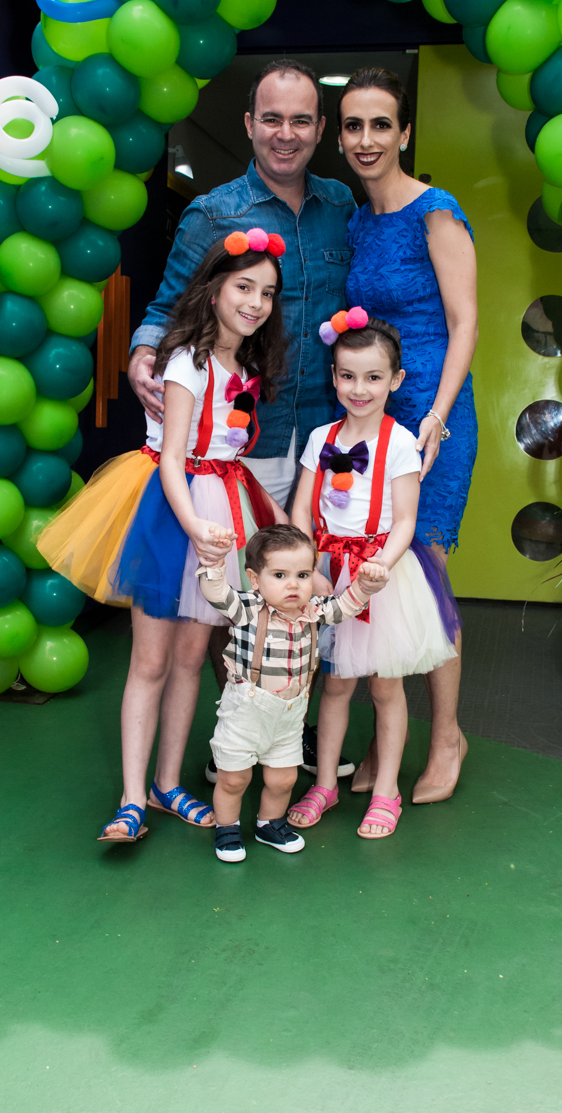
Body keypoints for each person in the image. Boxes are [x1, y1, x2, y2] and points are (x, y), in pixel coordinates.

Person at [129, 57, 358, 780]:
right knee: (245, 602)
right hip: (245, 440)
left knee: (304, 585)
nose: (284, 134)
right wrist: (141, 351)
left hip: (325, 434)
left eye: (299, 120)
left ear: (318, 129)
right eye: (270, 119)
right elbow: (169, 304)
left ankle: (292, 736)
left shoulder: (342, 208)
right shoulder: (213, 213)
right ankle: (237, 744)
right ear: (249, 124)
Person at [38, 231, 288, 842]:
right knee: (149, 661)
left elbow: (230, 452)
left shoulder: (247, 366)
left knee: (187, 659)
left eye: (268, 293)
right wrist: (198, 527)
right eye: (243, 287)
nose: (256, 303)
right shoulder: (187, 361)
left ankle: (167, 784)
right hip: (171, 510)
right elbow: (173, 459)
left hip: (225, 507)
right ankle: (131, 798)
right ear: (213, 290)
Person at [337, 67, 479, 806]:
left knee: (423, 573)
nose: (366, 140)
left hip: (434, 419)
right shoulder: (359, 222)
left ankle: (448, 732)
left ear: (404, 134)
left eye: (379, 125)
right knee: (372, 574)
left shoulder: (437, 212)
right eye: (353, 126)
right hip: (374, 414)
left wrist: (434, 416)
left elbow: (464, 324)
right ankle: (382, 734)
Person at [287, 315, 461, 840]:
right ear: (333, 376)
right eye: (347, 376)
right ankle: (324, 784)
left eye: (372, 377)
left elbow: (406, 519)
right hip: (328, 574)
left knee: (386, 689)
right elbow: (300, 510)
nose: (358, 389)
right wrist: (308, 567)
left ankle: (386, 791)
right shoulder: (320, 437)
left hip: (380, 577)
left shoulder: (403, 443)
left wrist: (378, 567)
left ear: (396, 380)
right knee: (334, 685)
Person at [197, 524, 387, 863]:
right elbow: (216, 593)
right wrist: (214, 562)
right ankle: (227, 827)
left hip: (290, 714)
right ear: (255, 580)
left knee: (284, 778)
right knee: (233, 778)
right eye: (280, 574)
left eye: (302, 574)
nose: (292, 584)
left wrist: (365, 586)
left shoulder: (314, 611)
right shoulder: (248, 610)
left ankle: (269, 823)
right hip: (246, 711)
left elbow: (345, 607)